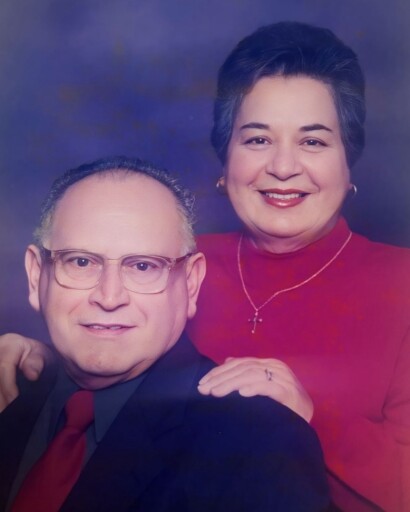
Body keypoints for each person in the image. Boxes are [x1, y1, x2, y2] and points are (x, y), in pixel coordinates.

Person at [1, 21, 409, 512]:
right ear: (225, 158)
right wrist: (42, 365)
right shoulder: (169, 262)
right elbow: (115, 374)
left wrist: (310, 416)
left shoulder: (400, 285)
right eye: (257, 140)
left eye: (313, 142)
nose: (283, 167)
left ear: (349, 161)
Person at [0, 156, 330, 512]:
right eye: (80, 261)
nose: (109, 297)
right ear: (36, 276)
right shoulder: (15, 390)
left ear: (190, 283)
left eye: (143, 266)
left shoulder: (262, 444)